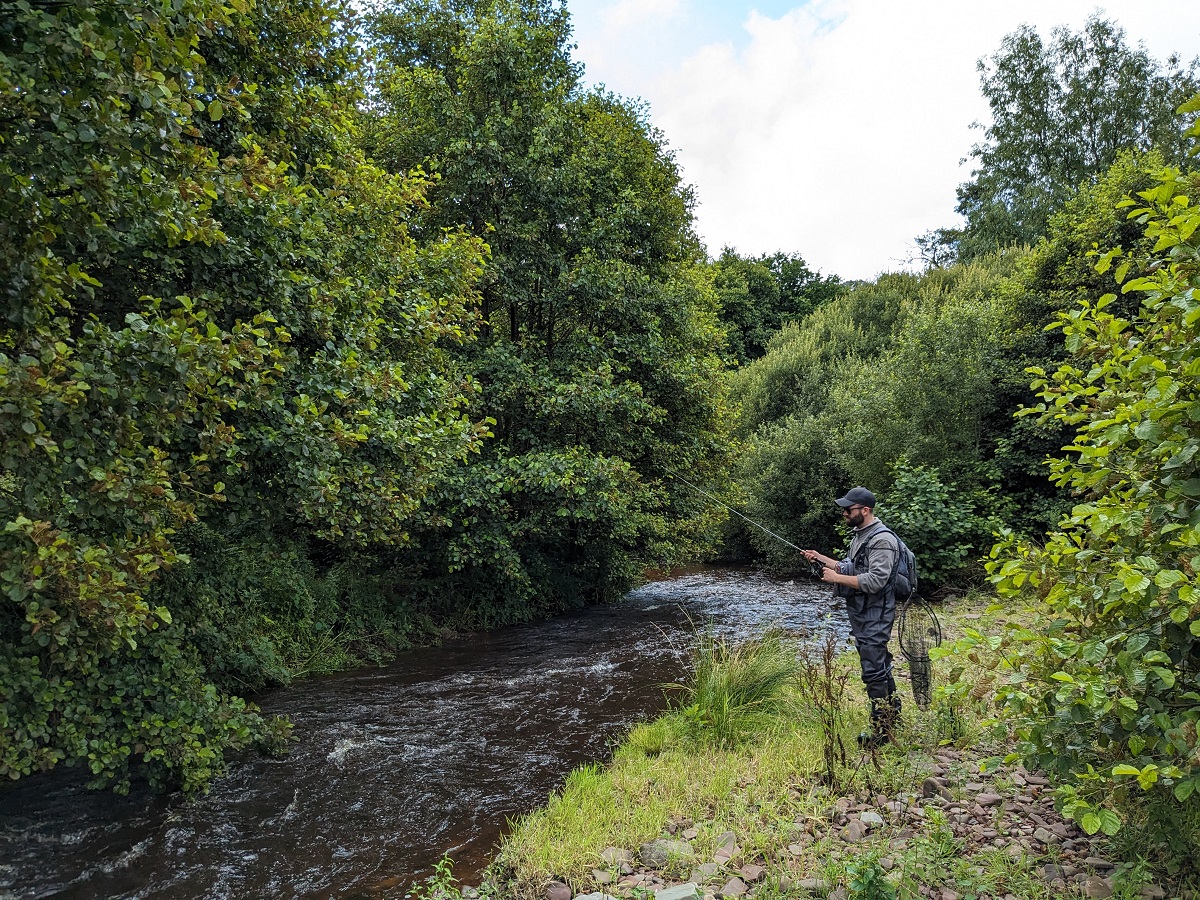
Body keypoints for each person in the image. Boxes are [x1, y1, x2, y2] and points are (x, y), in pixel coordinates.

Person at [802, 487, 901, 749]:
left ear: (865, 510)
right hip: (863, 610)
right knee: (879, 662)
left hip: (876, 611)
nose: (844, 513)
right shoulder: (861, 535)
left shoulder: (882, 540)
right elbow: (851, 567)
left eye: (848, 509)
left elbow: (877, 580)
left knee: (873, 669)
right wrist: (820, 558)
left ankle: (881, 731)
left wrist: (835, 578)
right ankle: (893, 715)